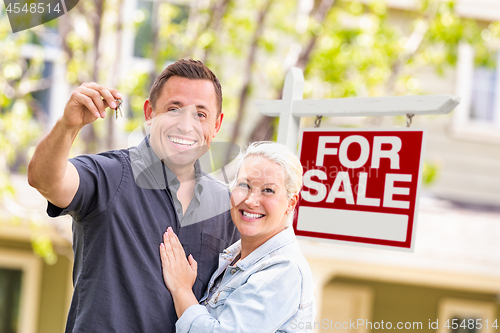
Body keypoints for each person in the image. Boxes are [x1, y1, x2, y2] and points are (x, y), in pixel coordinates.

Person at [27, 59, 239, 332]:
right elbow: (44, 179)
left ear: (216, 125)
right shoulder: (110, 176)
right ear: (149, 113)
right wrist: (68, 126)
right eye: (174, 109)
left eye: (201, 114)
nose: (187, 125)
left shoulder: (226, 206)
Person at [159, 141, 316, 332]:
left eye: (268, 190)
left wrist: (182, 290)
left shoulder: (283, 270)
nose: (250, 200)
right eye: (245, 185)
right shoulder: (235, 256)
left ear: (291, 203)